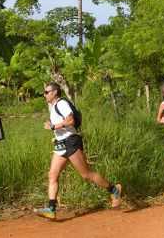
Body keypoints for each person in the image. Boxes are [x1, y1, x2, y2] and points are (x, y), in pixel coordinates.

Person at [34, 82, 122, 220]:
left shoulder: (62, 104)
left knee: (86, 174)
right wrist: (55, 133)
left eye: (46, 92)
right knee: (52, 175)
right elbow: (61, 126)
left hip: (71, 142)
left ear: (55, 92)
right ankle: (51, 209)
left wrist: (53, 127)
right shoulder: (53, 106)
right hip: (61, 145)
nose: (44, 94)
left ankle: (114, 189)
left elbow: (71, 121)